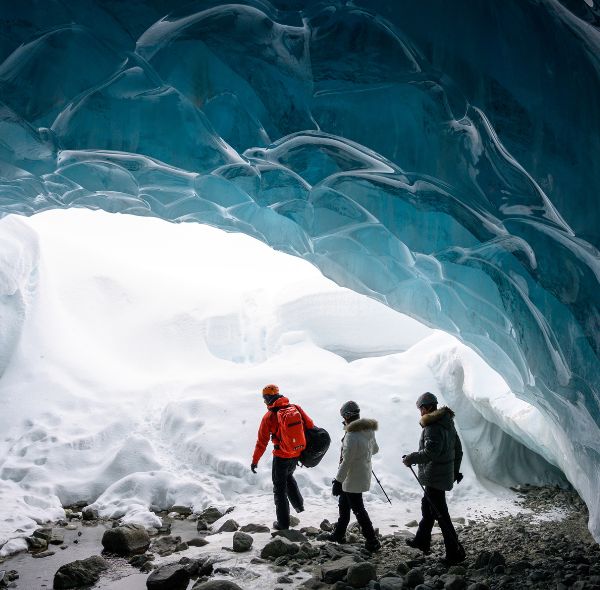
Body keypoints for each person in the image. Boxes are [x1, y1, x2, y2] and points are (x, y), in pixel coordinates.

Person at [403, 391, 464, 563]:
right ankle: (422, 541)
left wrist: (411, 458)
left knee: (440, 514)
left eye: (421, 408)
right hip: (441, 476)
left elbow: (431, 452)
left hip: (434, 477)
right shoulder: (448, 424)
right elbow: (458, 450)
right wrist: (454, 472)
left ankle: (455, 552)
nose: (420, 412)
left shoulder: (433, 427)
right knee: (428, 508)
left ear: (428, 407)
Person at [251, 384, 314, 530]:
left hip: (281, 456)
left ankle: (283, 524)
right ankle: (299, 506)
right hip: (296, 453)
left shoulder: (269, 417)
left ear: (267, 398)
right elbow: (310, 425)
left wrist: (255, 461)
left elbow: (262, 442)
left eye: (264, 399)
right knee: (289, 476)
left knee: (279, 489)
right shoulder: (295, 408)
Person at [328, 400, 381, 552]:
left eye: (343, 417)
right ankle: (339, 534)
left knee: (358, 509)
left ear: (347, 416)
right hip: (361, 473)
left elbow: (346, 462)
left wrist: (338, 481)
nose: (343, 420)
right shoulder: (368, 430)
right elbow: (375, 450)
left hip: (351, 478)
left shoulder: (351, 436)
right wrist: (363, 454)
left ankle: (372, 540)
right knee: (344, 504)